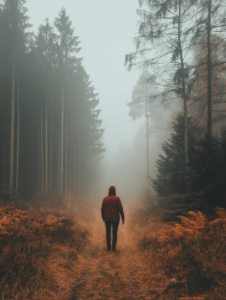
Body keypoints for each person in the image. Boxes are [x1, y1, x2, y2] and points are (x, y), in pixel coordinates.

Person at [101, 186, 125, 251]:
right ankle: (113, 248)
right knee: (114, 233)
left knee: (108, 233)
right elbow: (121, 209)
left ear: (109, 190)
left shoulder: (105, 199)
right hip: (115, 219)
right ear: (115, 191)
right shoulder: (117, 199)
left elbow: (102, 209)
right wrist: (123, 217)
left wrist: (103, 217)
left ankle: (108, 248)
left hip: (107, 219)